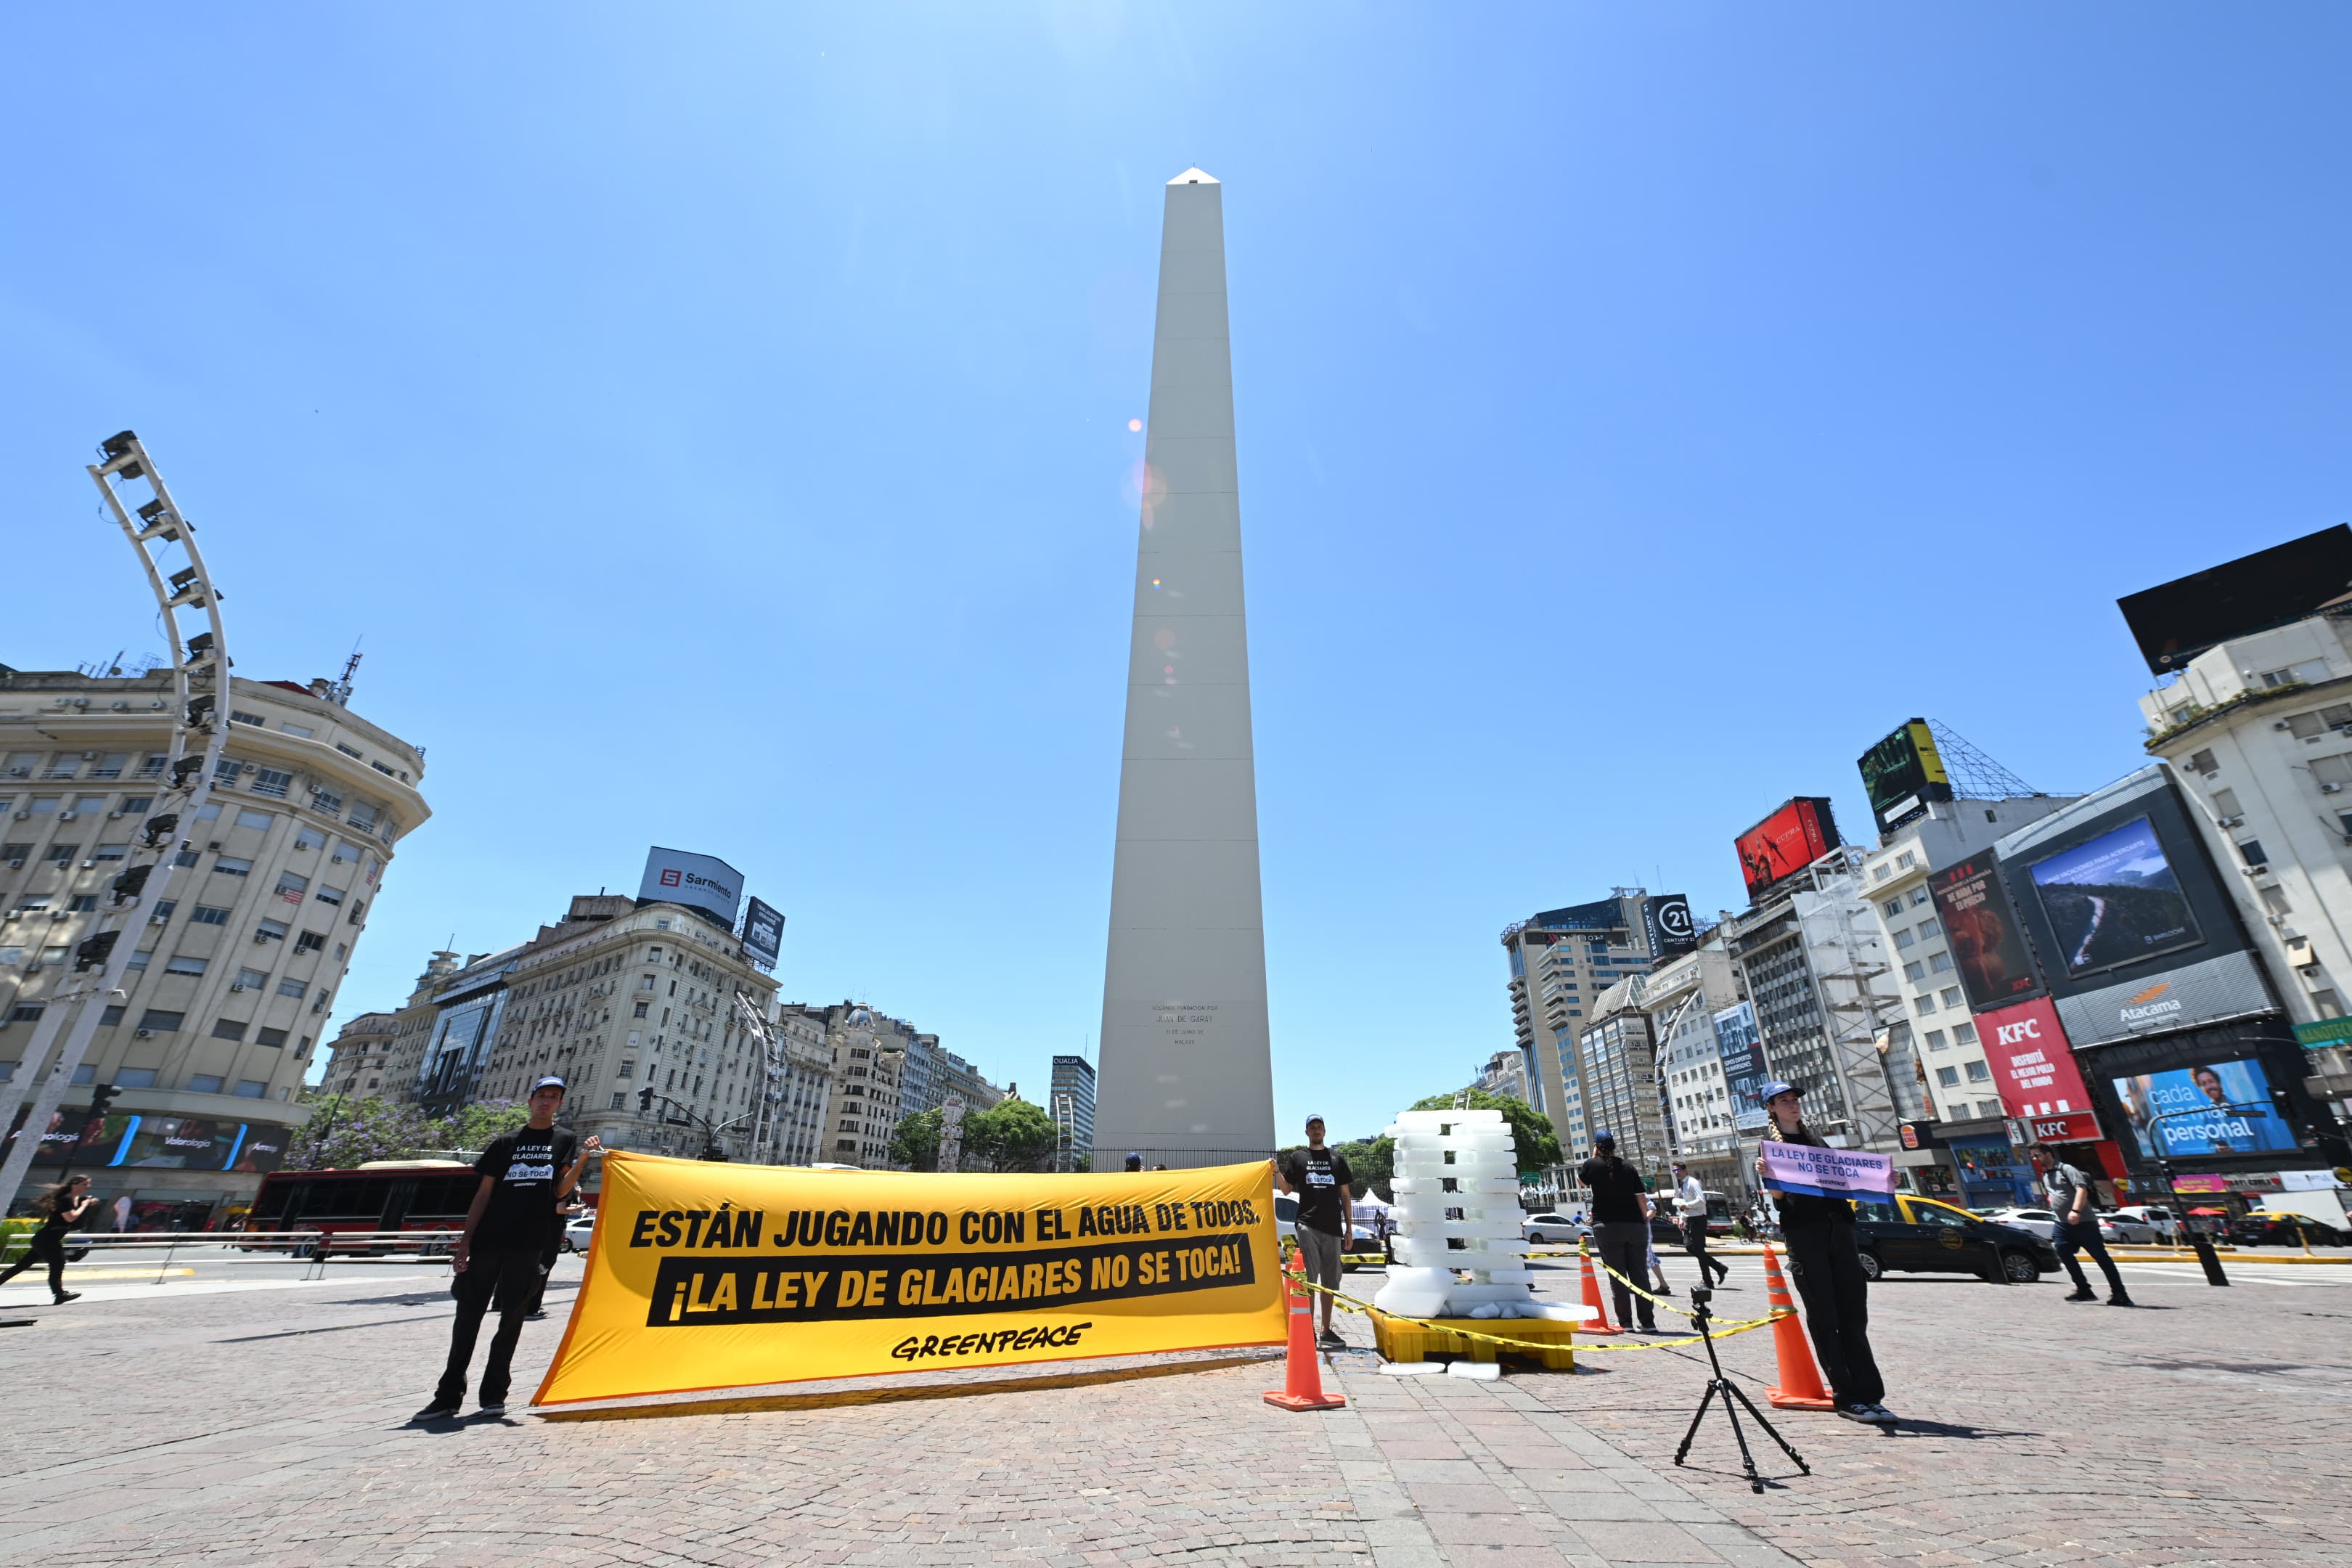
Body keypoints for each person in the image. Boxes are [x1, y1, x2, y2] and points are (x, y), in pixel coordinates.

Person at [415, 1077, 600, 1420]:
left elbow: (559, 1192)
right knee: (467, 1320)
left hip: (529, 1242)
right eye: (542, 1095)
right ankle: (447, 1397)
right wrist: (465, 1243)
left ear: (560, 1104)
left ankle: (494, 1395)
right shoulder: (505, 1141)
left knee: (512, 1320)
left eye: (554, 1097)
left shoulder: (565, 1139)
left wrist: (583, 1159)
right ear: (530, 1101)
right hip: (488, 1240)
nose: (547, 1101)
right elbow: (483, 1195)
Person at [1754, 1080, 1892, 1424]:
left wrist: (1883, 1180)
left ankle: (1870, 1394)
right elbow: (1780, 1199)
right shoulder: (1773, 1147)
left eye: (1795, 1100)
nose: (1793, 1105)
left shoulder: (1818, 1143)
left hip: (1839, 1230)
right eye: (1784, 1101)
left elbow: (1848, 1179)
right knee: (1825, 1316)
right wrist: (1769, 1177)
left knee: (1853, 1315)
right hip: (1805, 1233)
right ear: (1771, 1108)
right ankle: (1846, 1396)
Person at [1275, 1114, 1353, 1349]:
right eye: (1312, 1128)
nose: (1316, 1130)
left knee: (1329, 1282)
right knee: (1310, 1280)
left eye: (1319, 1127)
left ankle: (1326, 1330)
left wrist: (1349, 1229)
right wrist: (1277, 1172)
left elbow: (1346, 1195)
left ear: (1325, 1131)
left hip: (1332, 1227)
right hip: (1307, 1224)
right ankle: (1307, 1330)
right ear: (1307, 1132)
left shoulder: (1337, 1159)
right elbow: (1287, 1190)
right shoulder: (1298, 1157)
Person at [2037, 1141, 2133, 1307]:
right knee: (2062, 1251)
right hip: (2062, 1223)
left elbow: (2082, 1189)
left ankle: (2120, 1293)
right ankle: (2084, 1289)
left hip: (2084, 1221)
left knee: (2101, 1257)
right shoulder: (2046, 1175)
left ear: (2048, 1154)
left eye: (2036, 1154)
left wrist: (2076, 1211)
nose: (2034, 1158)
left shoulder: (2066, 1169)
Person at [1577, 1132, 1657, 1332]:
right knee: (1640, 1274)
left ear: (1597, 1146)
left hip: (1607, 1226)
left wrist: (1594, 1157)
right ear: (1614, 1146)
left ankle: (1626, 1322)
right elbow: (1640, 1196)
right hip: (1635, 1225)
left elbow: (1582, 1182)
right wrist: (1644, 1218)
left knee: (1617, 1275)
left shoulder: (1591, 1164)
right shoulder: (1628, 1166)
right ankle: (1648, 1322)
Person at [1, 1175, 94, 1304]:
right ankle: (60, 1294)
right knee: (58, 1263)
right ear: (74, 1184)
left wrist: (87, 1205)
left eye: (88, 1184)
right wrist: (84, 1205)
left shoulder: (76, 1200)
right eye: (84, 1184)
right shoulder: (65, 1199)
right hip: (48, 1239)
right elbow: (70, 1218)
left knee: (22, 1266)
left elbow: (76, 1224)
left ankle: (59, 1294)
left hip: (46, 1239)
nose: (88, 1187)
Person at [1673, 1159, 1730, 1287]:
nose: (1676, 1173)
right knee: (1689, 1246)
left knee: (1698, 1249)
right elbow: (1683, 1202)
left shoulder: (1692, 1183)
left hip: (1698, 1218)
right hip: (1689, 1218)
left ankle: (1708, 1280)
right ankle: (1719, 1267)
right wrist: (1683, 1218)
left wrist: (1686, 1206)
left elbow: (1701, 1200)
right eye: (1674, 1171)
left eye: (1678, 1170)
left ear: (1685, 1170)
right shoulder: (1682, 1184)